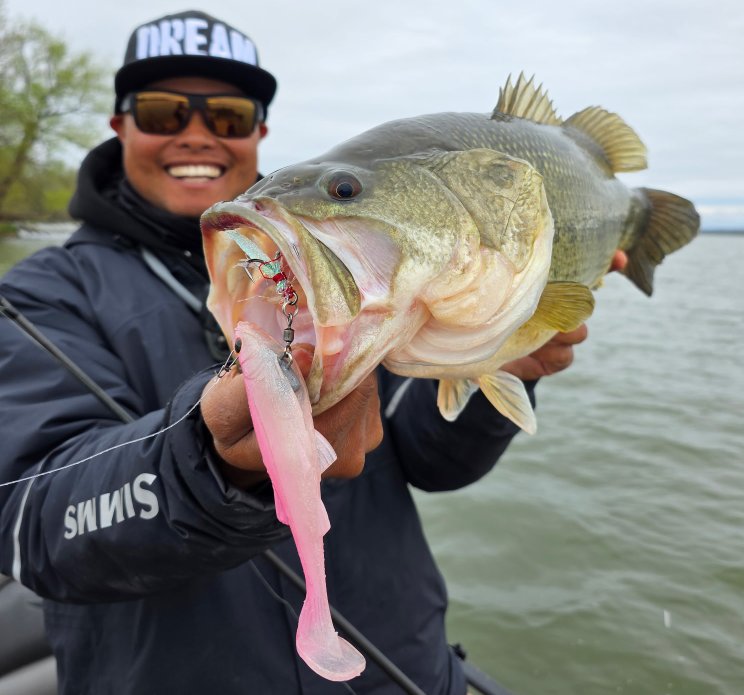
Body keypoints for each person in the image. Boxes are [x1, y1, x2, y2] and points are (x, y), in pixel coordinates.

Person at [0, 9, 627, 695]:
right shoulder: (40, 295)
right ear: (120, 125)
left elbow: (429, 458)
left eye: (230, 116)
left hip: (406, 675)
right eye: (162, 111)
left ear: (260, 132)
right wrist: (210, 462)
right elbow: (33, 527)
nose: (197, 134)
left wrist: (498, 369)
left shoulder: (352, 268)